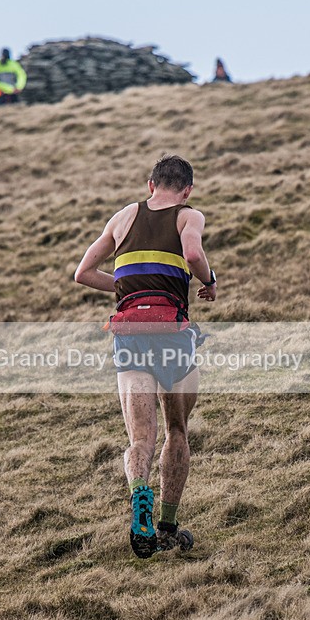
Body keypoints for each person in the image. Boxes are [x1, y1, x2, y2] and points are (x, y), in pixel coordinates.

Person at [74, 155, 217, 559]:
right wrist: (209, 281)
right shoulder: (189, 215)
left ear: (150, 185)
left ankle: (141, 498)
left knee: (140, 438)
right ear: (186, 191)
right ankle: (168, 526)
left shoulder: (123, 218)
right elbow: (191, 255)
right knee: (177, 430)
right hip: (172, 331)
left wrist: (126, 290)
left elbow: (83, 273)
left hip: (130, 333)